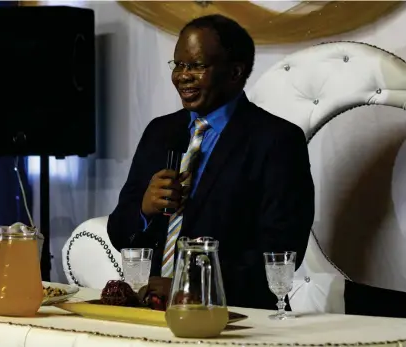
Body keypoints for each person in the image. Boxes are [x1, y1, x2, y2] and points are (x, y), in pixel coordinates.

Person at [107, 14, 315, 310]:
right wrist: (144, 208)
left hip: (236, 318)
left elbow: (281, 254)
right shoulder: (160, 131)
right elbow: (119, 232)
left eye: (196, 66)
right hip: (151, 311)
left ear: (234, 72)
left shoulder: (277, 140)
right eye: (178, 64)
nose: (182, 75)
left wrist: (187, 285)